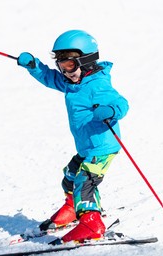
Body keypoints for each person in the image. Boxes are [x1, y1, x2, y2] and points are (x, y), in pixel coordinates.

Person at [17, 30, 129, 243]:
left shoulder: (97, 85)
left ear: (86, 61)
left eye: (69, 65)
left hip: (102, 147)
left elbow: (121, 103)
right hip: (86, 146)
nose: (66, 72)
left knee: (84, 181)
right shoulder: (73, 84)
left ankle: (92, 225)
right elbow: (50, 78)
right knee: (70, 176)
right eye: (62, 66)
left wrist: (111, 111)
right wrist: (34, 67)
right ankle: (72, 209)